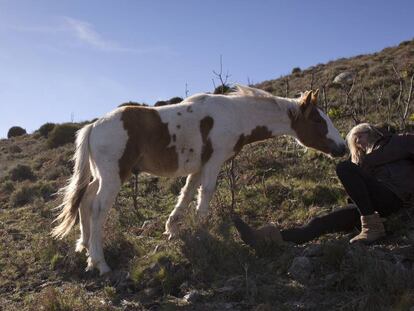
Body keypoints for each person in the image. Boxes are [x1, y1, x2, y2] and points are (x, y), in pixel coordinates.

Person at [234, 123, 414, 248]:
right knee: (319, 222)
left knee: (344, 167)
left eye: (360, 135)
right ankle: (265, 239)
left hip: (394, 195)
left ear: (372, 131)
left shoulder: (396, 141)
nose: (358, 141)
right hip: (371, 208)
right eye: (354, 141)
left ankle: (373, 228)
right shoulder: (363, 164)